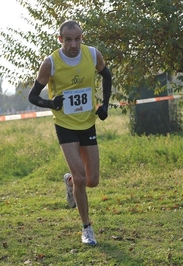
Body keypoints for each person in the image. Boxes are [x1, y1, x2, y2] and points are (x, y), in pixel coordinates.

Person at [28, 20, 112, 245]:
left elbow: (107, 76)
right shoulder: (51, 63)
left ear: (82, 38)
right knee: (82, 178)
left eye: (77, 39)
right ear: (60, 39)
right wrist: (51, 103)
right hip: (65, 125)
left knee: (92, 180)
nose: (73, 44)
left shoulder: (93, 55)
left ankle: (70, 181)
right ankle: (87, 229)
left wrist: (104, 105)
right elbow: (32, 96)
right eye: (68, 39)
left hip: (87, 123)